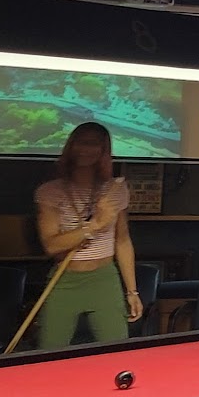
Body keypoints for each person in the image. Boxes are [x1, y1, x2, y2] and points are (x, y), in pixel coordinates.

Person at [33, 122, 142, 348]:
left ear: (104, 151)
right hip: (65, 279)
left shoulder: (115, 190)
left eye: (94, 144)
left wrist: (132, 291)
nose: (86, 150)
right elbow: (51, 245)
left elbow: (122, 241)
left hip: (104, 279)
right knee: (49, 353)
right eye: (81, 143)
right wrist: (94, 225)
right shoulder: (50, 191)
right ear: (71, 146)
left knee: (117, 351)